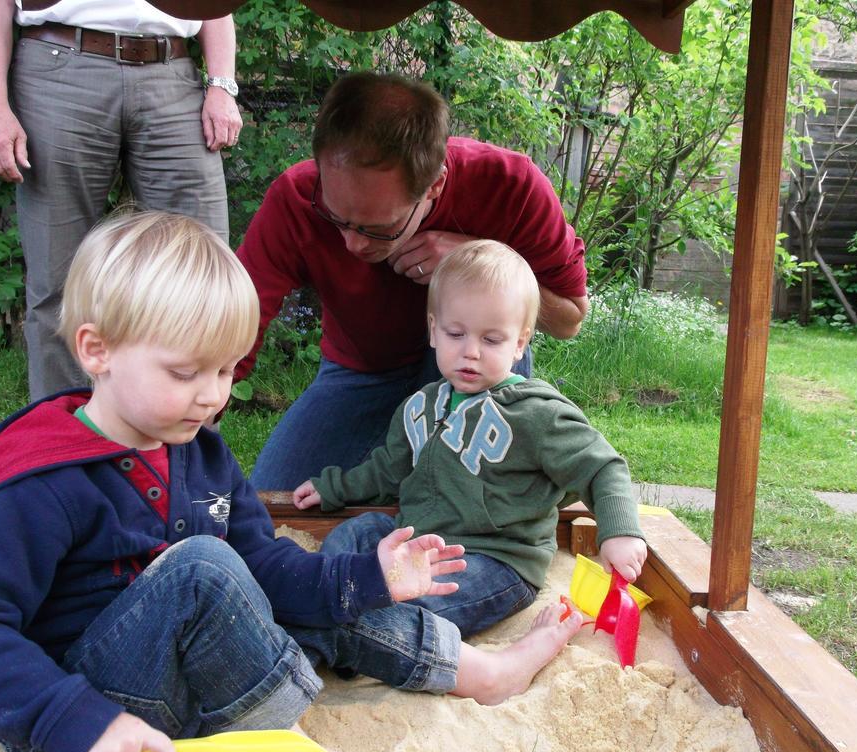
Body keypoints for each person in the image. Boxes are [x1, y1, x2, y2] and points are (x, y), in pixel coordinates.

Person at [0, 212, 582, 752]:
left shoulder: (198, 452)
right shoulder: (43, 479)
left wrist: (368, 578)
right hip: (91, 722)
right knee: (206, 570)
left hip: (192, 688)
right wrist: (74, 723)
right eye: (186, 372)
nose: (213, 394)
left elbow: (265, 565)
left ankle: (478, 672)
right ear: (97, 351)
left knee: (322, 583)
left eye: (227, 369)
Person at [236, 71, 591, 491]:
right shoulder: (295, 198)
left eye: (378, 228)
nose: (352, 244)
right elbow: (237, 323)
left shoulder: (510, 185)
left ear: (434, 185)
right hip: (359, 370)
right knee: (275, 499)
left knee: (462, 509)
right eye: (337, 218)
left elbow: (570, 319)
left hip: (476, 372)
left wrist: (476, 259)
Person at [292, 240, 649, 638]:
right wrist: (334, 487)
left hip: (495, 560)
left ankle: (350, 633)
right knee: (355, 533)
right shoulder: (420, 405)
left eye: (492, 340)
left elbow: (602, 465)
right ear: (433, 331)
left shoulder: (536, 411)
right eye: (456, 333)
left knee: (416, 609)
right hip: (421, 542)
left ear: (520, 342)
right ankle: (328, 599)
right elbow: (387, 468)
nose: (470, 352)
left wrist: (618, 532)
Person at [0, 0, 243, 400]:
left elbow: (217, 5)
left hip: (172, 70)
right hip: (59, 68)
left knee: (202, 275)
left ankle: (188, 449)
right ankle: (64, 447)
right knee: (57, 283)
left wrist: (222, 85)